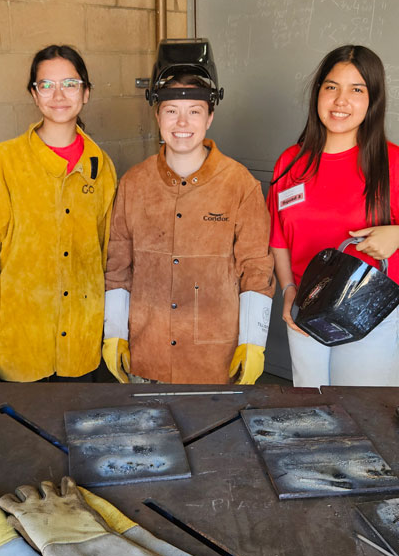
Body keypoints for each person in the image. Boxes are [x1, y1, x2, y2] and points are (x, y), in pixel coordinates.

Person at [269, 45, 399, 388]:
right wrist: (288, 288)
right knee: (312, 404)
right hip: (309, 303)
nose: (340, 101)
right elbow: (278, 238)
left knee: (364, 411)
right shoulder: (291, 162)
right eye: (331, 87)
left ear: (372, 99)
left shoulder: (398, 164)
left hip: (370, 306)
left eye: (356, 90)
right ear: (318, 93)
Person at [0, 45, 116, 384]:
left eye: (69, 83)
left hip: (81, 343)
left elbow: (106, 254)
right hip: (20, 341)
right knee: (23, 435)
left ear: (86, 93)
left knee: (74, 432)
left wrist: (113, 332)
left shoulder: (101, 167)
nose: (58, 95)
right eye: (46, 85)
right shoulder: (4, 162)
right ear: (34, 95)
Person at [102, 75, 275, 384]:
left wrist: (253, 342)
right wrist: (114, 332)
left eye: (194, 111)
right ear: (157, 116)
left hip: (213, 362)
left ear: (210, 117)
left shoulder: (239, 184)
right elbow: (117, 265)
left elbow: (256, 266)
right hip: (147, 355)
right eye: (171, 110)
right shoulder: (133, 183)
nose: (182, 122)